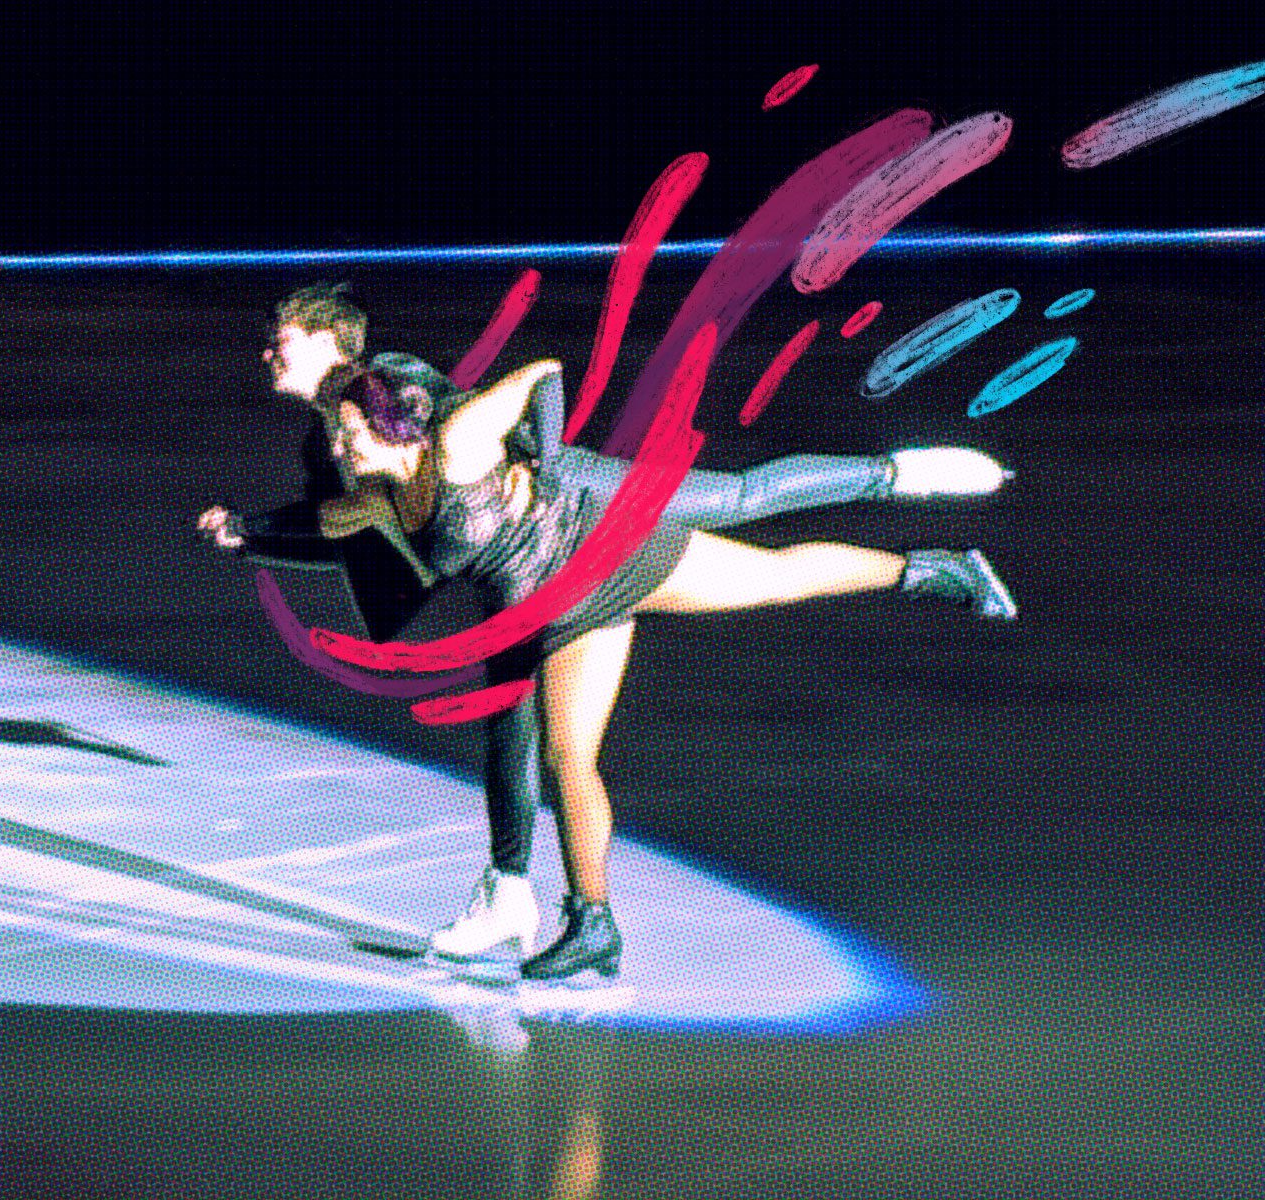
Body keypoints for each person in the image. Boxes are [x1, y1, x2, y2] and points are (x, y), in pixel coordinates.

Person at [196, 284, 1014, 976]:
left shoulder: (403, 395)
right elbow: (334, 526)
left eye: (282, 341)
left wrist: (545, 463)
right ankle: (577, 918)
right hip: (523, 583)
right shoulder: (352, 465)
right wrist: (251, 532)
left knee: (748, 524)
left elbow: (531, 386)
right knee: (541, 745)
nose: (268, 353)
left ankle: (909, 502)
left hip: (586, 523)